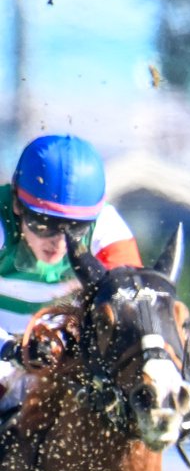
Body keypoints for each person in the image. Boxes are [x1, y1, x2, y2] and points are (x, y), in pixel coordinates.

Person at [0, 135, 144, 389]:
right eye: (44, 224)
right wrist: (9, 348)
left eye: (74, 228)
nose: (58, 242)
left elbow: (133, 311)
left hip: (56, 353)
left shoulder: (108, 228)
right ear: (16, 204)